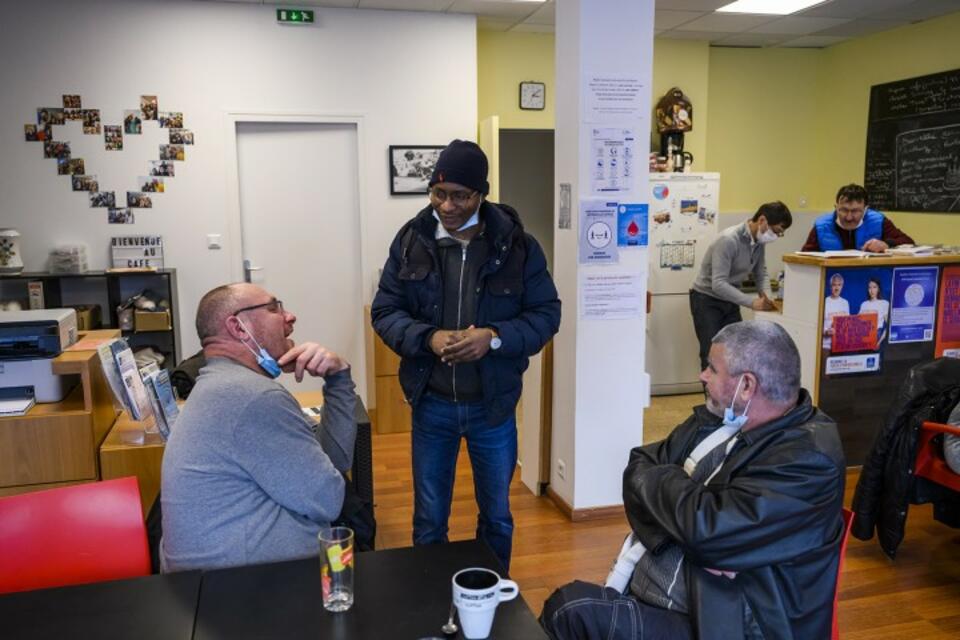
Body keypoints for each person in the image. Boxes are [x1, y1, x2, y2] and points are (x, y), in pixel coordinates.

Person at [540, 320, 846, 640]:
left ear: (746, 386)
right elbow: (639, 464)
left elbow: (707, 533)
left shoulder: (810, 460)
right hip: (674, 591)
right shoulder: (720, 419)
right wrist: (689, 511)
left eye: (712, 369)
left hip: (728, 622)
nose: (702, 375)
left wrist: (683, 508)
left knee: (570, 611)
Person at [371, 139, 561, 570]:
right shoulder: (410, 241)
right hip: (431, 404)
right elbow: (385, 311)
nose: (447, 205)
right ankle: (430, 603)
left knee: (496, 517)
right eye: (439, 193)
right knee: (429, 519)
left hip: (491, 407)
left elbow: (547, 314)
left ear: (482, 193)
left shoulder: (519, 246)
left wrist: (493, 337)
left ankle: (490, 603)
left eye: (460, 195)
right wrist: (428, 338)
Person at [160, 283, 357, 572]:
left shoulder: (223, 384)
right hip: (248, 594)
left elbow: (334, 463)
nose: (290, 316)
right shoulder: (251, 396)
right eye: (274, 308)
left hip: (229, 584)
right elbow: (329, 500)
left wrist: (338, 378)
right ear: (239, 328)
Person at [689, 201, 791, 370]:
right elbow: (719, 284)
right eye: (776, 231)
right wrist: (751, 302)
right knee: (711, 353)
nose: (775, 236)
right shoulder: (728, 240)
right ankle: (713, 396)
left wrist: (767, 297)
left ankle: (731, 396)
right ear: (763, 220)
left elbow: (761, 272)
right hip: (706, 300)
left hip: (729, 299)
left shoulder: (758, 242)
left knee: (737, 350)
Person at [801, 183, 914, 253]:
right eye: (844, 210)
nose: (849, 217)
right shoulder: (821, 226)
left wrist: (886, 244)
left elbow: (908, 242)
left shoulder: (878, 221)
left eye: (855, 211)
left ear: (865, 210)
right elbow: (804, 258)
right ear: (836, 207)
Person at [858, 277, 890, 344]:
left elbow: (888, 326)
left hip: (876, 336)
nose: (872, 290)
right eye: (870, 287)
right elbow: (857, 323)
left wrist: (879, 342)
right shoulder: (864, 304)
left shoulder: (884, 303)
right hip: (862, 337)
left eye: (874, 287)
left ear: (878, 289)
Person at [823, 273, 850, 350]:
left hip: (840, 344)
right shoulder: (824, 302)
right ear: (830, 286)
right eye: (834, 285)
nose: (837, 288)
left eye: (839, 285)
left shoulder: (845, 303)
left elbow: (848, 323)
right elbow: (817, 325)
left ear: (842, 286)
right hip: (826, 345)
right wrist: (826, 332)